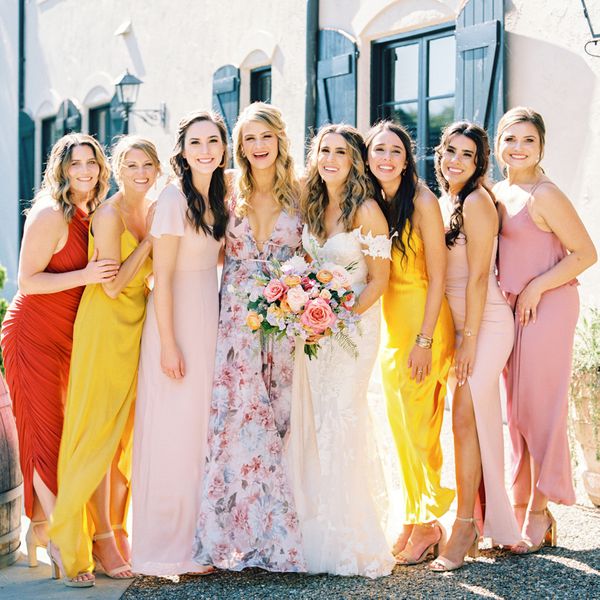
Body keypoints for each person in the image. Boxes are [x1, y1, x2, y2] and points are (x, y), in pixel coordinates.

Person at [193, 103, 305, 573]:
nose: (257, 147)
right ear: (238, 147)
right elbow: (203, 250)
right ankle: (230, 534)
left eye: (265, 137)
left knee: (279, 417)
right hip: (236, 318)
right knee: (236, 420)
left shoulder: (302, 194)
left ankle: (275, 534)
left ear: (279, 139)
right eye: (248, 139)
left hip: (283, 317)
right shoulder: (226, 193)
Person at [0, 134, 117, 577]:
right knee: (46, 437)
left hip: (71, 339)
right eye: (75, 164)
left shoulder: (96, 213)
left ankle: (39, 531)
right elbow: (27, 282)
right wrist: (87, 273)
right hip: (31, 335)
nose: (84, 171)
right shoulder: (50, 213)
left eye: (92, 162)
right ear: (61, 169)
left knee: (68, 437)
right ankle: (64, 548)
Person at [49, 135, 159, 586]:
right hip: (104, 326)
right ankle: (81, 537)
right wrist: (150, 244)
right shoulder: (111, 215)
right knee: (98, 435)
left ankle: (115, 529)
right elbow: (113, 285)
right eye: (130, 164)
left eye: (146, 165)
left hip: (136, 327)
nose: (139, 172)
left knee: (123, 439)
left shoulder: (153, 207)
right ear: (118, 167)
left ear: (157, 169)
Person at [288, 123, 395, 578]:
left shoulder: (367, 209)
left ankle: (352, 537)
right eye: (323, 151)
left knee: (343, 417)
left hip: (353, 328)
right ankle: (315, 530)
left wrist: (338, 317)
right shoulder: (313, 204)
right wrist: (306, 309)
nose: (330, 159)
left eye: (340, 152)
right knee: (315, 423)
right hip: (313, 333)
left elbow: (379, 281)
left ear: (354, 161)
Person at [494, 107, 597, 552]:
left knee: (541, 410)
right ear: (498, 144)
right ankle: (519, 504)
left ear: (541, 147)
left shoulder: (545, 194)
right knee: (514, 413)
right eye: (510, 139)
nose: (518, 148)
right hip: (511, 311)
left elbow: (585, 252)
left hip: (548, 307)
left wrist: (536, 286)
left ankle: (538, 510)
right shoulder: (498, 192)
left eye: (528, 141)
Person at [131, 111, 228, 576]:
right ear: (183, 151)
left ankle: (198, 538)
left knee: (199, 433)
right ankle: (168, 546)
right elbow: (161, 278)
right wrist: (168, 344)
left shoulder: (218, 197)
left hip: (208, 316)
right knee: (174, 432)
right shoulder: (172, 199)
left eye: (213, 140)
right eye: (196, 142)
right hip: (176, 322)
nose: (205, 149)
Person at [430, 122, 522, 572]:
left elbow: (482, 275)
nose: (456, 161)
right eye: (451, 151)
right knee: (467, 421)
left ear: (479, 162)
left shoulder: (477, 202)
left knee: (464, 415)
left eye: (467, 155)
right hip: (459, 326)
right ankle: (486, 519)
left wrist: (468, 343)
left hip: (485, 323)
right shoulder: (443, 201)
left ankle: (465, 524)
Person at [365, 121, 455, 565]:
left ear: (406, 157)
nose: (386, 157)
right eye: (378, 149)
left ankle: (429, 523)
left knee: (421, 430)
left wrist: (424, 340)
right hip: (391, 329)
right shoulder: (372, 202)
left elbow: (438, 274)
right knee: (399, 427)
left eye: (394, 150)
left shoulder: (422, 200)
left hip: (424, 323)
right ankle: (412, 513)